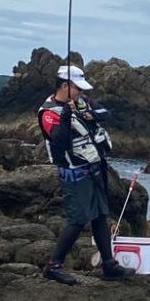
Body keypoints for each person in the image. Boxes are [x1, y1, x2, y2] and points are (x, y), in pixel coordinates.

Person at [38, 63, 134, 285]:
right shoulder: (48, 113)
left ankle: (109, 264)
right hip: (73, 173)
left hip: (94, 167)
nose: (82, 93)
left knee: (100, 214)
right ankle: (54, 265)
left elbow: (106, 113)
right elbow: (59, 141)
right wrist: (66, 116)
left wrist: (87, 113)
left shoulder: (81, 101)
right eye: (77, 88)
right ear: (65, 85)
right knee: (78, 219)